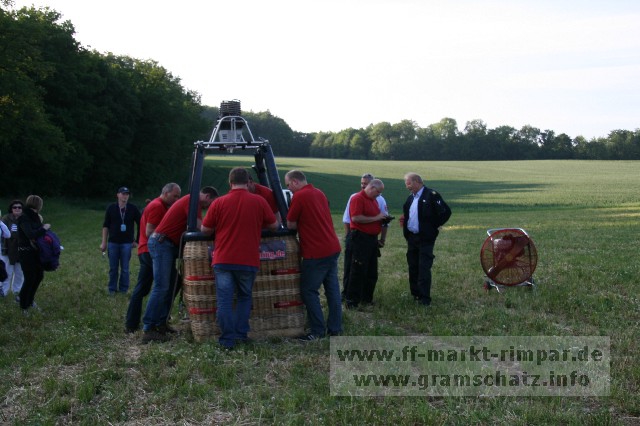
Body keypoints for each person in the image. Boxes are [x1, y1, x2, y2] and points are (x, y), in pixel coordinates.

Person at [201, 168, 277, 349]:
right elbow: (274, 225)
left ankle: (227, 340)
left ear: (230, 182)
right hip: (248, 260)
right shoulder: (259, 201)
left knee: (224, 301)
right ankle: (241, 335)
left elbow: (205, 230)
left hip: (223, 259)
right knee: (244, 297)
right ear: (249, 182)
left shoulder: (218, 202)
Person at [142, 186, 219, 343]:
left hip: (166, 244)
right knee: (161, 286)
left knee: (174, 283)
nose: (208, 207)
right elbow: (200, 227)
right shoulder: (193, 201)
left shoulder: (192, 201)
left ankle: (161, 322)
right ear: (207, 196)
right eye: (211, 203)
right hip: (162, 243)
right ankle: (149, 328)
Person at [285, 170, 343, 340]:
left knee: (308, 291)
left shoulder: (299, 196)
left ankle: (317, 331)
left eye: (288, 185)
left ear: (295, 182)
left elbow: (290, 224)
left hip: (316, 252)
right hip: (332, 247)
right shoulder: (319, 192)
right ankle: (335, 328)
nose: (289, 189)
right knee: (332, 290)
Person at [125, 183, 181, 333]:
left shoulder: (158, 205)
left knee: (143, 288)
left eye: (178, 197)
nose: (177, 199)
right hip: (150, 251)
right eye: (175, 196)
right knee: (171, 282)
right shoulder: (157, 206)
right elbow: (150, 232)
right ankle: (159, 320)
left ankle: (132, 324)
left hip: (145, 250)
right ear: (166, 193)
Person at [402, 172, 451, 306]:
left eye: (409, 183)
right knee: (413, 266)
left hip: (425, 238)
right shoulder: (410, 198)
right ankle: (416, 294)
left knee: (423, 267)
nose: (407, 186)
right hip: (412, 238)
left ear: (417, 181)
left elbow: (446, 212)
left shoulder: (431, 195)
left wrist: (433, 227)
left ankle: (424, 298)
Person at [341, 173, 388, 298]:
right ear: (372, 187)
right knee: (357, 268)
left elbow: (376, 217)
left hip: (371, 239)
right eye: (378, 192)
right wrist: (377, 217)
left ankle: (366, 297)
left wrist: (383, 220)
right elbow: (355, 218)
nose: (379, 195)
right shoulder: (357, 198)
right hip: (360, 238)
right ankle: (351, 299)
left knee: (371, 270)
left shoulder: (375, 200)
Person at [100, 187, 141, 295]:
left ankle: (123, 289)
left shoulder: (133, 208)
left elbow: (141, 223)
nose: (125, 196)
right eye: (123, 194)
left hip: (127, 243)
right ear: (118, 195)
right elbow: (106, 225)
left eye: (127, 194)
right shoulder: (111, 208)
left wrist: (137, 240)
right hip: (113, 242)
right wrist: (104, 242)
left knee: (125, 268)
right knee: (113, 268)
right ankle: (112, 289)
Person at [17, 195, 50, 315]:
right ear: (39, 204)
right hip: (26, 252)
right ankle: (24, 306)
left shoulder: (35, 217)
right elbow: (30, 234)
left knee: (38, 276)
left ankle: (30, 301)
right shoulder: (24, 217)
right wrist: (44, 228)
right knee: (30, 278)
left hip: (35, 252)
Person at [1, 200, 24, 299]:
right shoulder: (6, 218)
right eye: (15, 207)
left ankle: (17, 292)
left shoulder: (25, 219)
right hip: (7, 249)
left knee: (19, 273)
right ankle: (4, 292)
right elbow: (4, 234)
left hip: (21, 250)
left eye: (19, 207)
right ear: (11, 209)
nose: (17, 209)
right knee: (7, 272)